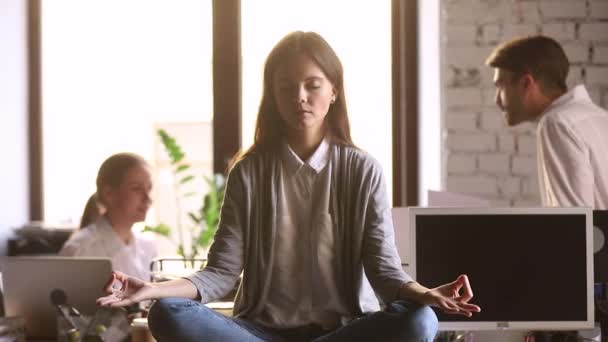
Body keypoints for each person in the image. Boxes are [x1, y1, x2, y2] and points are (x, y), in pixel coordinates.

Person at [97, 31, 480, 342]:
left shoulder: (363, 170)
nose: (300, 97)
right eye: (286, 88)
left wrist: (424, 293)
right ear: (274, 97)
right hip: (259, 334)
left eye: (313, 85)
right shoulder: (249, 172)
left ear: (334, 91)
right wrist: (151, 289)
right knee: (168, 313)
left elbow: (384, 272)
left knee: (421, 321)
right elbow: (220, 274)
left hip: (343, 333)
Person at [486, 35, 608, 209]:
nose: (496, 99)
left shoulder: (557, 123)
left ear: (526, 83)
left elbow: (573, 224)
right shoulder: (599, 116)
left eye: (500, 86)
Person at [60, 152, 158, 282]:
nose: (148, 198)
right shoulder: (80, 250)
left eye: (149, 189)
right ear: (109, 193)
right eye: (136, 188)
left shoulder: (148, 247)